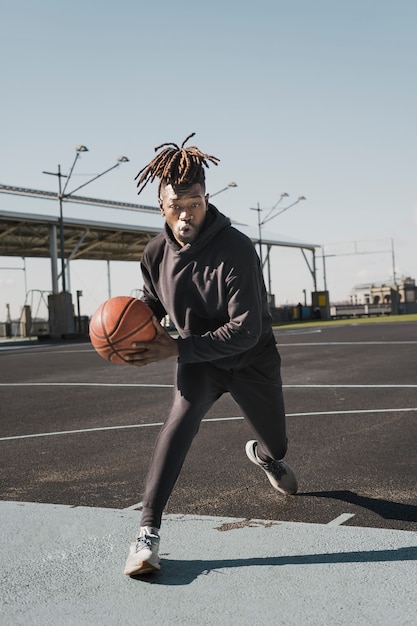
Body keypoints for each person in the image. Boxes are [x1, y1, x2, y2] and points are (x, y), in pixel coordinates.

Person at [123, 133, 297, 576]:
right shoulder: (154, 254)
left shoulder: (236, 249)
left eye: (195, 203)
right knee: (177, 427)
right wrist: (129, 321)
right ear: (161, 205)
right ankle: (146, 534)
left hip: (250, 358)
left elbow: (246, 329)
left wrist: (177, 345)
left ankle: (264, 455)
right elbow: (153, 301)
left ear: (206, 198)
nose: (187, 214)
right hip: (199, 363)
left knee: (277, 442)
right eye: (177, 205)